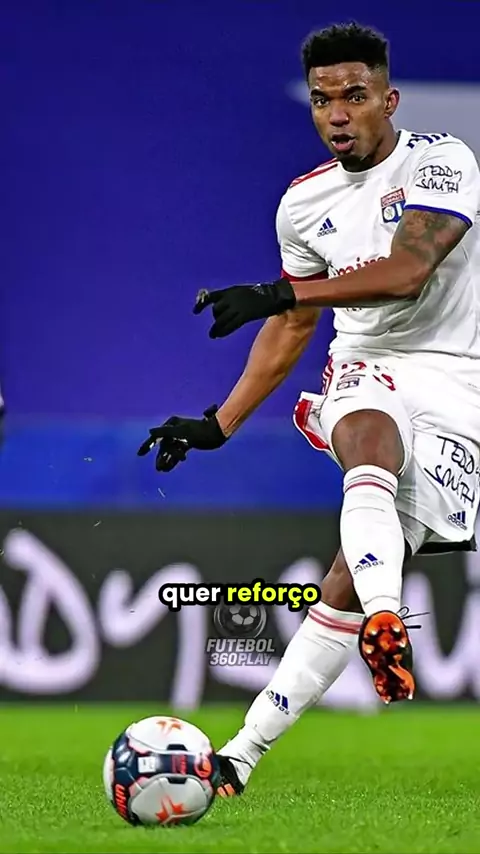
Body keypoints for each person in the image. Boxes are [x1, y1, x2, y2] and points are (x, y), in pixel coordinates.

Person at [138, 21, 480, 796]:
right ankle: (379, 628)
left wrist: (278, 290)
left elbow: (408, 272)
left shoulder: (443, 161)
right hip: (365, 366)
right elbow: (294, 325)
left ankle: (248, 745)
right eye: (323, 100)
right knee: (365, 433)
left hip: (458, 381)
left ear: (389, 100)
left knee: (342, 583)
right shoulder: (302, 204)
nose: (337, 114)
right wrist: (221, 421)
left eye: (354, 95)